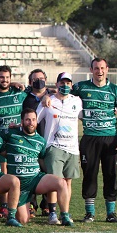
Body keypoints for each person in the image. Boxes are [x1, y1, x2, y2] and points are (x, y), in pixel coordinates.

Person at [71, 58, 117, 223]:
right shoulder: (81, 87)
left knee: (111, 174)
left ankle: (111, 213)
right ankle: (90, 213)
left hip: (110, 139)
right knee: (90, 174)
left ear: (107, 69)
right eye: (96, 68)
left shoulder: (114, 90)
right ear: (91, 69)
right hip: (90, 138)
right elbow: (63, 93)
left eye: (102, 68)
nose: (99, 71)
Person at [0, 108, 73, 226]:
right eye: (28, 120)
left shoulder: (40, 140)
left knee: (61, 183)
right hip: (19, 183)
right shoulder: (11, 133)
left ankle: (65, 216)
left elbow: (42, 159)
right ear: (22, 121)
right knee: (23, 220)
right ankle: (16, 209)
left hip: (35, 179)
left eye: (33, 120)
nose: (31, 122)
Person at [36, 72, 82, 214]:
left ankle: (65, 213)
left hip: (72, 149)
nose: (65, 86)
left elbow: (85, 118)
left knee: (68, 182)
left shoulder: (77, 101)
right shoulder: (48, 101)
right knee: (55, 181)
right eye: (62, 83)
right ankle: (53, 213)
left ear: (71, 85)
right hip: (54, 146)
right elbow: (34, 120)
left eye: (68, 83)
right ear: (56, 84)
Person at [0, 65, 27, 219]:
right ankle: (4, 206)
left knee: (20, 170)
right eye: (1, 77)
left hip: (16, 140)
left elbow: (38, 93)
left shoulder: (19, 93)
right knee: (2, 173)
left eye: (7, 77)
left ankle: (25, 204)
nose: (4, 80)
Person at [23, 68, 53, 217]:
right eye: (35, 79)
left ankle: (46, 205)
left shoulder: (53, 96)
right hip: (30, 142)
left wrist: (49, 93)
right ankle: (32, 205)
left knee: (47, 172)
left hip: (48, 142)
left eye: (41, 78)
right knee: (31, 172)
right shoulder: (25, 98)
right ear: (30, 82)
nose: (38, 81)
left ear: (46, 80)